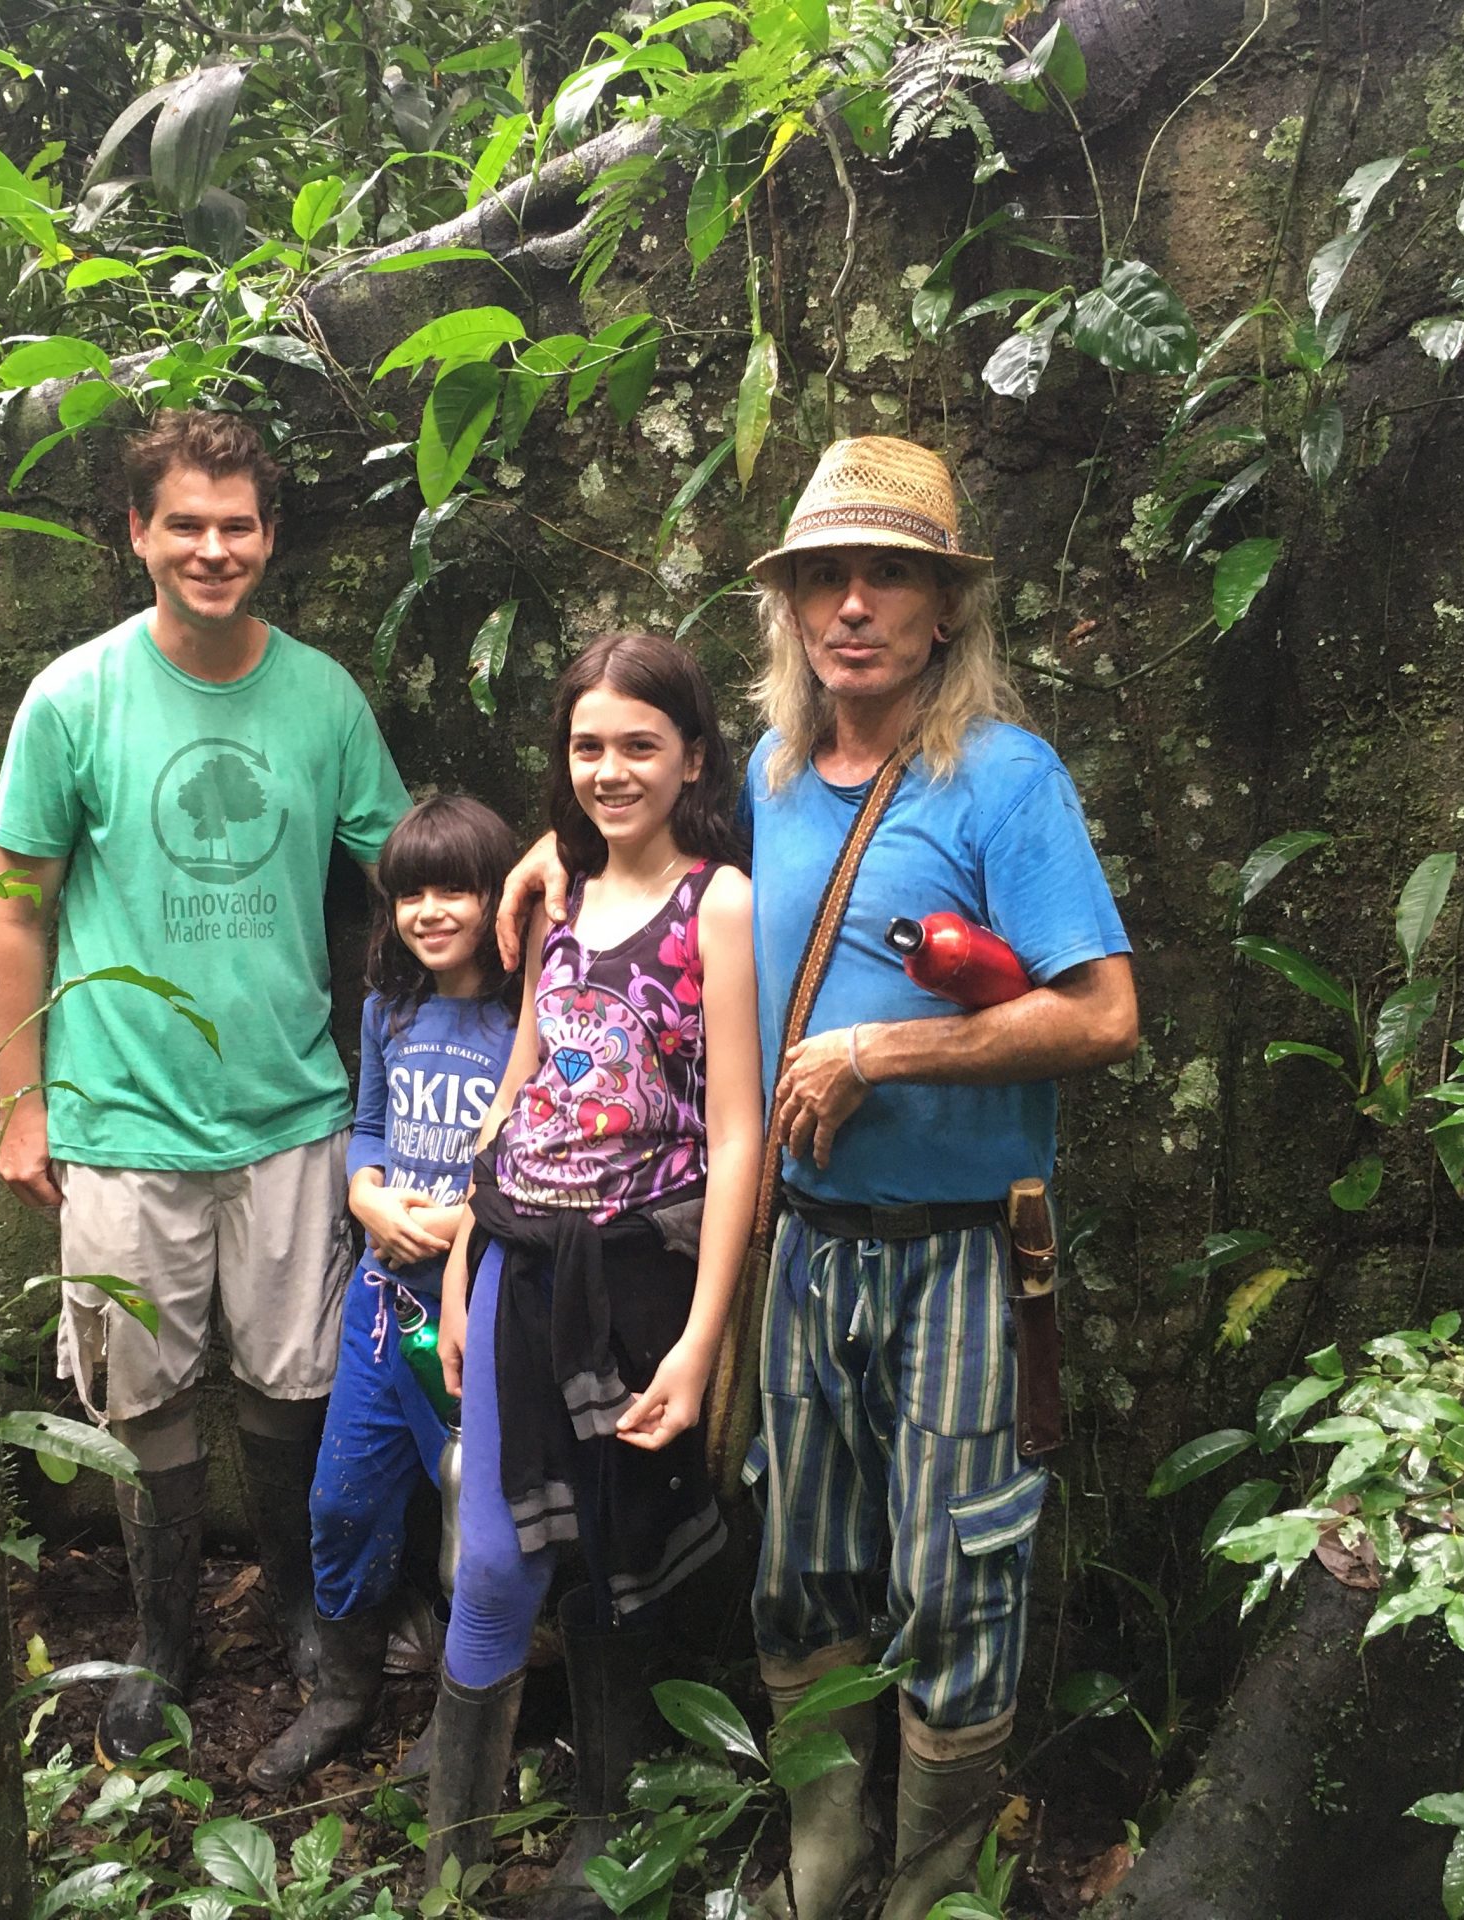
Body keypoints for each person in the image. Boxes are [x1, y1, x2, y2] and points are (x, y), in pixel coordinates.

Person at [498, 438, 1139, 1920]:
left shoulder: (1001, 782)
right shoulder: (776, 782)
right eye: (824, 581)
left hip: (966, 1253)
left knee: (955, 1577)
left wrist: (884, 1053)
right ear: (790, 609)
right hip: (807, 1250)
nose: (854, 607)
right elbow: (647, 831)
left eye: (888, 578)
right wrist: (550, 840)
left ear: (939, 610)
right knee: (804, 1570)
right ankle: (820, 1860)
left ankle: (924, 1885)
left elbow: (1103, 1012)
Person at [0, 409, 412, 1763]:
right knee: (141, 1390)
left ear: (269, 540)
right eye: (187, 524)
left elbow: (412, 871)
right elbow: (12, 908)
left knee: (296, 1382)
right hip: (120, 1109)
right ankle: (163, 1638)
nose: (213, 549)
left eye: (237, 526)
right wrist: (21, 1099)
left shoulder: (323, 698)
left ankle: (293, 1599)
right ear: (138, 534)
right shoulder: (72, 698)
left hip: (290, 1102)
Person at [424, 632, 761, 1904]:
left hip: (638, 1278)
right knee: (499, 1551)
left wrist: (698, 1339)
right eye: (587, 747)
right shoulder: (556, 883)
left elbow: (737, 1133)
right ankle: (451, 1859)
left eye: (638, 746)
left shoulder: (715, 900)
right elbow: (522, 1078)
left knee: (618, 1553)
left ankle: (607, 1830)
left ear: (691, 758)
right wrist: (463, 1247)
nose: (610, 771)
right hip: (519, 1250)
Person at [247, 795, 519, 1790]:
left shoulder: (524, 1016)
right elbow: (369, 1124)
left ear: (500, 898)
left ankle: (464, 1719)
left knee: (471, 1530)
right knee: (344, 1502)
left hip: (478, 1312)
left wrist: (456, 1225)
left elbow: (538, 1153)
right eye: (410, 892)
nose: (430, 910)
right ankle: (345, 1693)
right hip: (379, 1308)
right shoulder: (389, 1012)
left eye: (455, 888)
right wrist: (364, 1193)